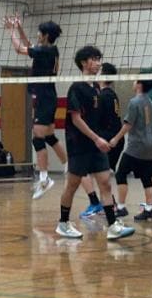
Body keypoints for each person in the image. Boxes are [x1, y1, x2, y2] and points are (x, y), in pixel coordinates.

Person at [55, 46, 135, 241]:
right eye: (94, 59)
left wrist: (105, 138)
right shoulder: (76, 87)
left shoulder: (97, 88)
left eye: (99, 58)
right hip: (79, 145)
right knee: (72, 185)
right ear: (84, 62)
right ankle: (63, 223)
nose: (98, 62)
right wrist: (96, 138)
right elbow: (76, 119)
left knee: (105, 183)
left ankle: (113, 225)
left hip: (96, 146)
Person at [4, 15, 66, 199]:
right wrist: (20, 28)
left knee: (37, 138)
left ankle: (45, 179)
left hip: (45, 98)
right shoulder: (49, 49)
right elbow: (31, 45)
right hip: (47, 96)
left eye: (40, 32)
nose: (37, 34)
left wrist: (11, 31)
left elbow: (19, 49)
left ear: (45, 35)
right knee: (49, 136)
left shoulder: (45, 51)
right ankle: (69, 167)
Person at [109, 79, 152, 220]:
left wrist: (115, 139)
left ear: (139, 84)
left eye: (135, 80)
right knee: (147, 178)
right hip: (150, 145)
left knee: (120, 174)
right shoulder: (151, 102)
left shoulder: (134, 102)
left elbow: (128, 125)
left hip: (137, 146)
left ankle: (121, 207)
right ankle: (149, 209)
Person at [80, 61, 120, 219]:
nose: (96, 70)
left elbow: (96, 118)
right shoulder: (111, 94)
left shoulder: (103, 96)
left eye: (100, 69)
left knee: (86, 172)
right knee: (102, 178)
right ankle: (109, 206)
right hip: (112, 139)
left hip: (107, 140)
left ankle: (99, 204)